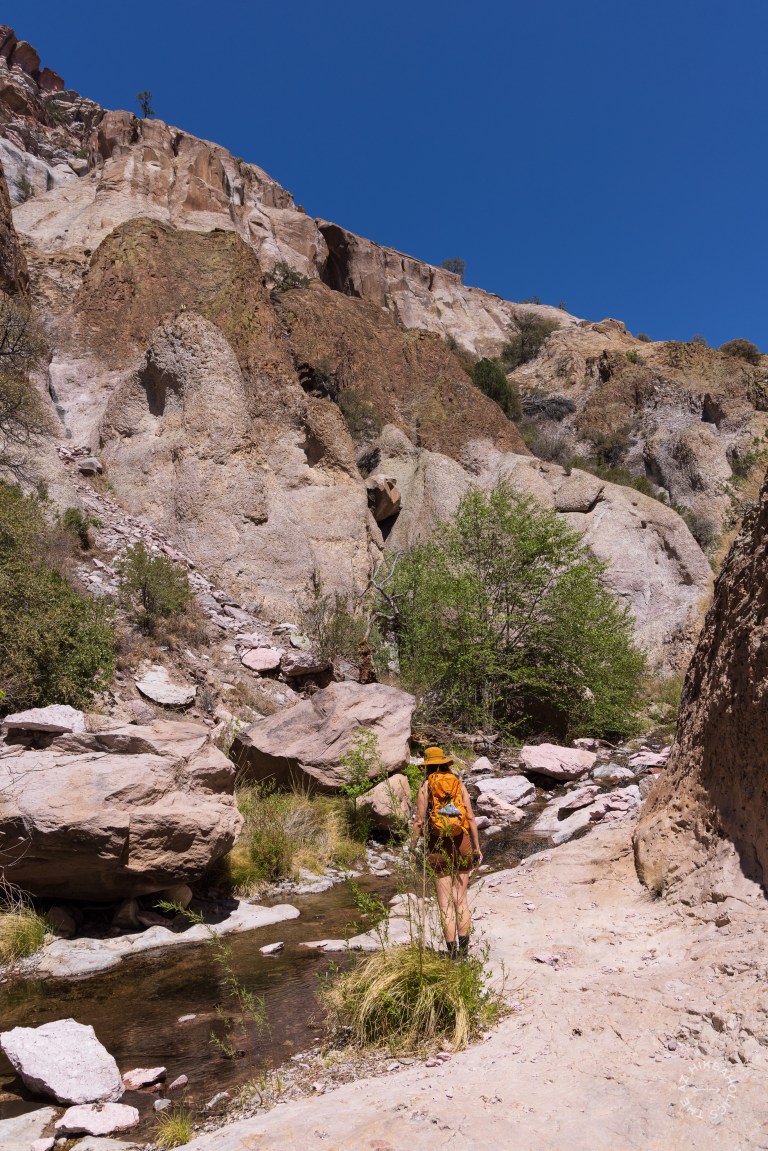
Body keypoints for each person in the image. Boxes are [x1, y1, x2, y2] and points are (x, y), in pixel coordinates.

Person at [409, 746, 483, 958]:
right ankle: (465, 954)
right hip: (462, 843)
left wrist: (413, 849)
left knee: (445, 905)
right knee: (461, 901)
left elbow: (419, 822)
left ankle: (452, 956)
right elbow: (469, 817)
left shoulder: (426, 786)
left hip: (437, 846)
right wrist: (476, 847)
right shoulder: (458, 783)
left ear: (427, 766)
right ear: (444, 763)